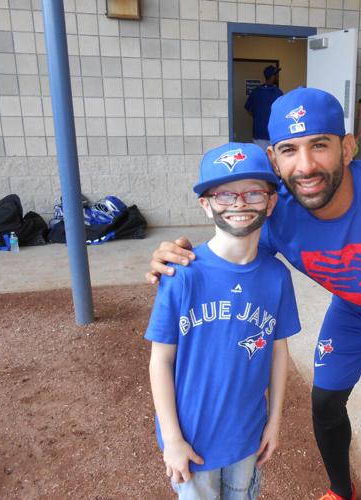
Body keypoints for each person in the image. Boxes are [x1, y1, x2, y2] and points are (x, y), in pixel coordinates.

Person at [147, 88, 361, 500]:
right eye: (289, 150)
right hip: (355, 309)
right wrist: (179, 255)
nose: (305, 166)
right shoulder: (275, 211)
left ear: (347, 147)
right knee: (324, 403)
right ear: (274, 160)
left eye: (319, 145)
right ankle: (342, 491)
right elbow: (226, 254)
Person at [145, 142, 301, 499]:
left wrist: (274, 422)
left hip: (246, 434)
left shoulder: (276, 276)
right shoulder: (181, 273)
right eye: (225, 195)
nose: (240, 204)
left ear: (271, 201)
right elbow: (160, 360)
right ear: (206, 204)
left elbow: (279, 353)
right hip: (192, 439)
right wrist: (172, 439)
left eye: (253, 193)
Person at [244, 65, 283, 151]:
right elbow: (282, 112)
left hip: (258, 133)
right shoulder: (277, 92)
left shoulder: (256, 91)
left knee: (261, 158)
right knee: (272, 160)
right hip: (272, 132)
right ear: (273, 76)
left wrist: (258, 116)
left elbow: (248, 109)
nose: (278, 76)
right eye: (276, 75)